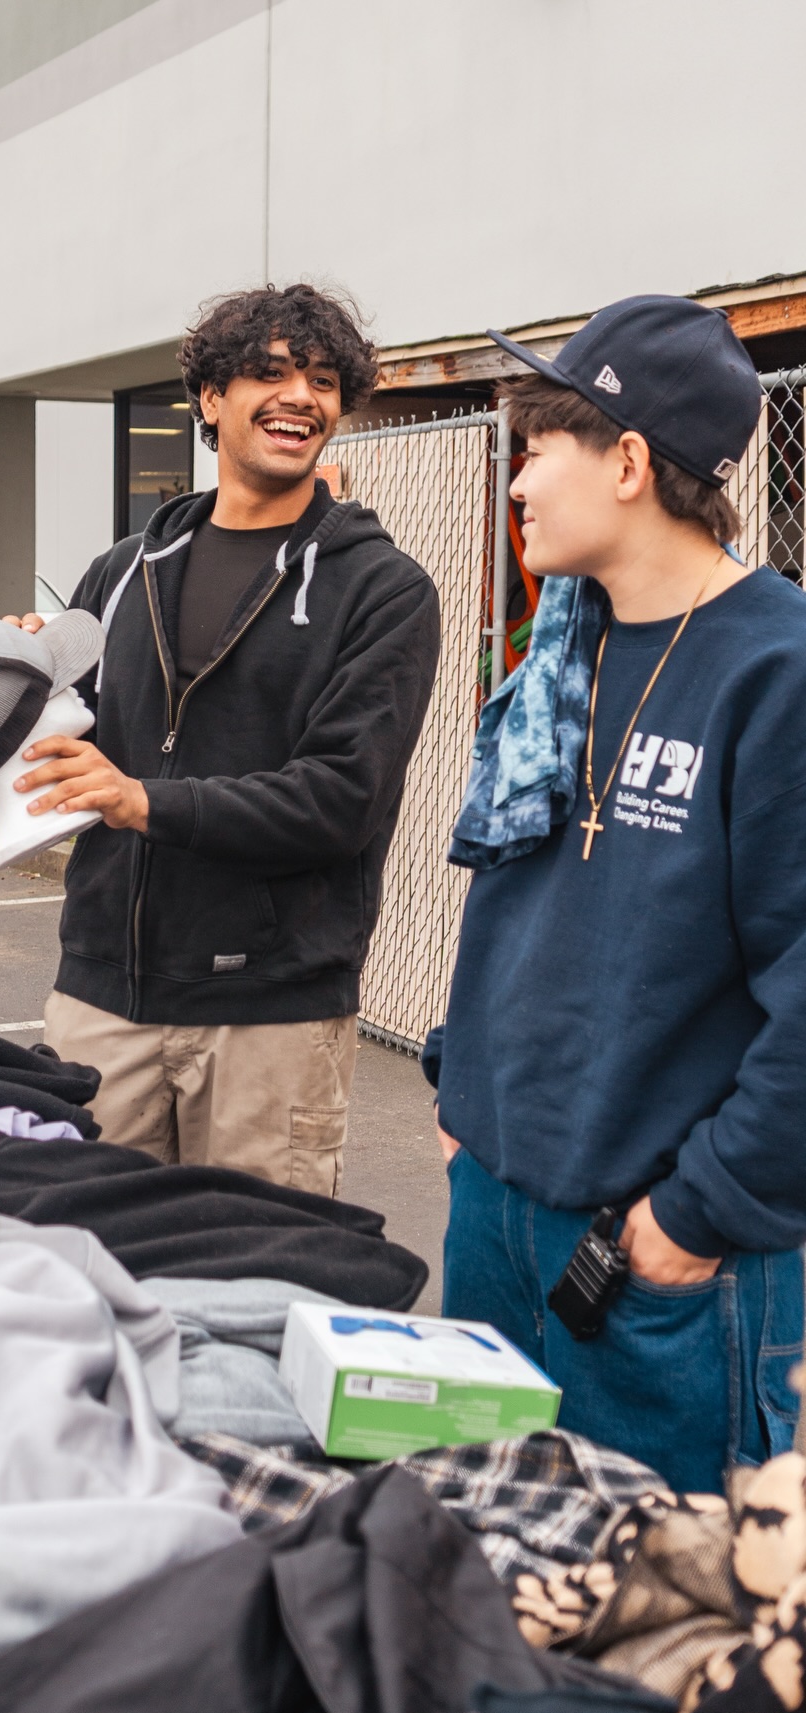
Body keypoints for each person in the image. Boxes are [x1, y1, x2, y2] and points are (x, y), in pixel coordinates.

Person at [427, 293, 804, 1494]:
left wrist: (699, 1213)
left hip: (660, 1260)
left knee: (657, 1629)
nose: (518, 482)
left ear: (631, 460)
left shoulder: (777, 669)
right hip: (497, 1207)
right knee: (489, 1570)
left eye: (539, 448)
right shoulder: (563, 649)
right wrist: (462, 1083)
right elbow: (518, 904)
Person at [10, 282, 440, 1196]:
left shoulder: (382, 589)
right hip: (101, 999)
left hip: (268, 1019)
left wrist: (141, 800)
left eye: (323, 380)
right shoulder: (122, 572)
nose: (300, 398)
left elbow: (341, 799)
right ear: (210, 398)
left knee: (251, 1287)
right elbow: (48, 744)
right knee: (81, 1276)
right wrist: (5, 677)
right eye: (269, 373)